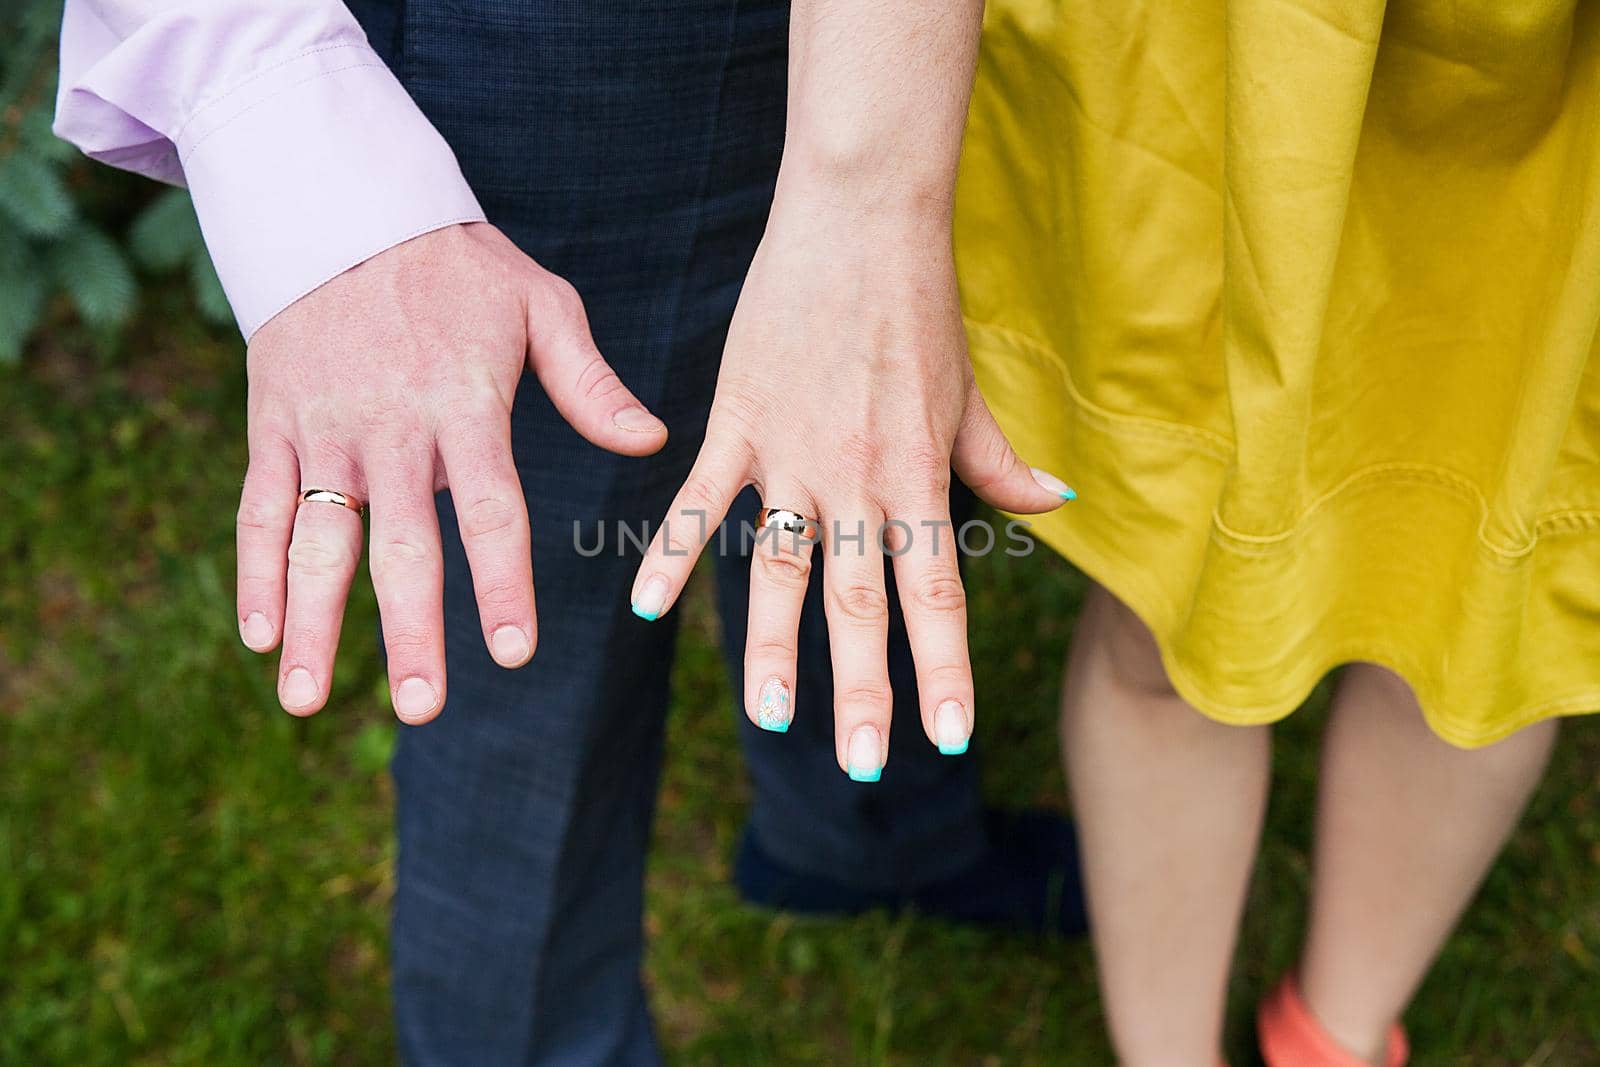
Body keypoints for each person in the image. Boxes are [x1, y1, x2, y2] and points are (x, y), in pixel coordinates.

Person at [54, 1, 1086, 1064]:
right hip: (569, 53)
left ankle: (868, 829)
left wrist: (876, 204)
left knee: (864, 419)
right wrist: (297, 138)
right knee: (539, 632)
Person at [940, 2, 1599, 1065]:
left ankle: (1329, 1042)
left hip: (1553, 79)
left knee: (1475, 604)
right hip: (1209, 57)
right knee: (1169, 592)